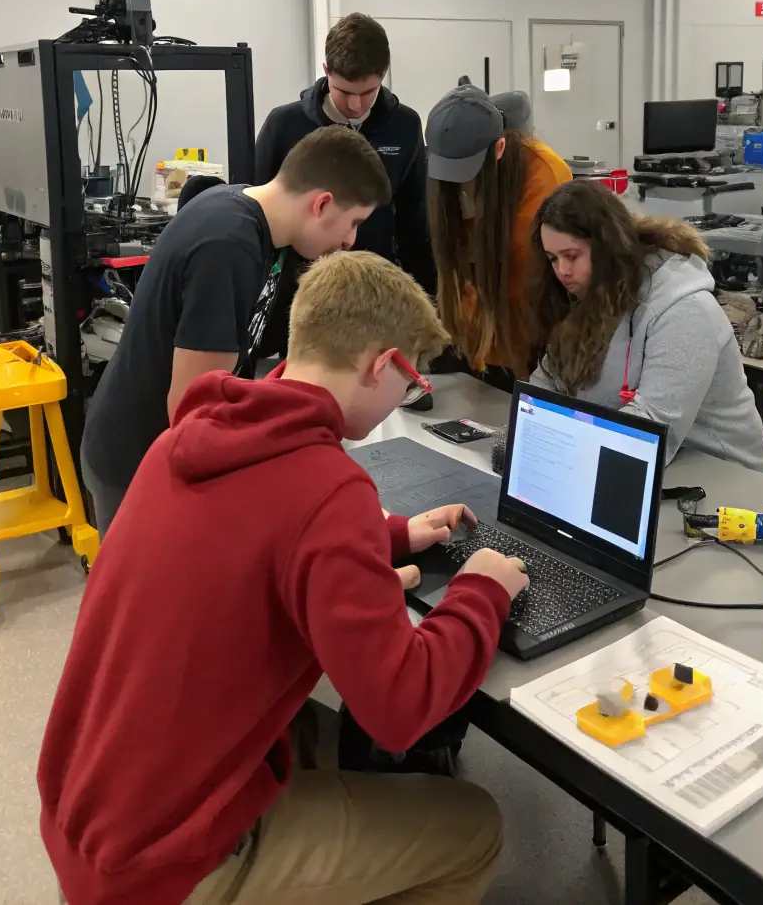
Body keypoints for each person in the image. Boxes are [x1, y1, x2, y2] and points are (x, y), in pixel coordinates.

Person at [40, 250, 527, 905]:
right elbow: (401, 707)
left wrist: (388, 534)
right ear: (381, 364)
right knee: (476, 827)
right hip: (163, 865)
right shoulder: (329, 489)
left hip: (87, 812)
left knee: (322, 733)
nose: (405, 396)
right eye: (409, 380)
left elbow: (258, 533)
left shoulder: (187, 440)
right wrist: (483, 589)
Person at [80, 125, 391, 536]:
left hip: (151, 448)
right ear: (322, 204)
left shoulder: (254, 221)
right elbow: (192, 414)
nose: (351, 240)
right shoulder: (228, 246)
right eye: (353, 222)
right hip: (140, 463)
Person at [527, 180, 763, 471]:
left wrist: (552, 451)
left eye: (571, 256)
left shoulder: (685, 310)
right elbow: (545, 386)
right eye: (553, 259)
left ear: (606, 246)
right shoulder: (590, 296)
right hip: (651, 473)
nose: (562, 271)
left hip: (726, 481)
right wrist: (524, 438)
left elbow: (647, 431)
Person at [254, 13, 435, 293]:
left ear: (384, 74)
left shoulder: (405, 126)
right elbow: (259, 213)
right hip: (297, 291)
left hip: (376, 288)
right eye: (344, 91)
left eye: (368, 92)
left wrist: (426, 299)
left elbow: (414, 226)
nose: (355, 105)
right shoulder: (283, 125)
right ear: (326, 71)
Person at [426, 84, 571, 382]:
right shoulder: (442, 181)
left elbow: (538, 277)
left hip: (528, 345)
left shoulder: (546, 175)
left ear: (499, 148)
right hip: (473, 342)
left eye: (468, 172)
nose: (459, 186)